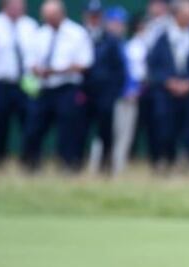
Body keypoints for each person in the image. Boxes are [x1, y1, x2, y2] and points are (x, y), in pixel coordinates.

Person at [22, 0, 93, 171]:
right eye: (46, 17)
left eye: (52, 16)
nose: (49, 20)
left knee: (68, 131)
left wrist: (58, 71)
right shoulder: (39, 34)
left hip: (67, 88)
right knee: (33, 128)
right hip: (43, 88)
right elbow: (29, 61)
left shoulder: (77, 33)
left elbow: (85, 63)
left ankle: (68, 166)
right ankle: (31, 166)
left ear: (61, 13)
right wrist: (37, 70)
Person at [146, 0, 189, 171]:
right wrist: (169, 82)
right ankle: (166, 163)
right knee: (166, 132)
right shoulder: (161, 39)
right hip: (166, 96)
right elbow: (153, 66)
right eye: (186, 16)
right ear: (176, 16)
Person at [0, 0, 36, 165]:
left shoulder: (30, 25)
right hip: (0, 83)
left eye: (20, 5)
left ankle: (28, 161)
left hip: (26, 83)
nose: (18, 8)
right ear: (4, 6)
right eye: (14, 5)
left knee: (30, 123)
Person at [82, 0, 127, 174]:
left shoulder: (111, 39)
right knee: (80, 133)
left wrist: (113, 94)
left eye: (97, 15)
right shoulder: (77, 36)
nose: (93, 19)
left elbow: (119, 70)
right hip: (82, 95)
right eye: (91, 15)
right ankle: (76, 165)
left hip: (105, 97)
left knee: (106, 134)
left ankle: (106, 167)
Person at [112, 9, 144, 175]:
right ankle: (107, 167)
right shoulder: (111, 43)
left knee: (125, 135)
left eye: (121, 23)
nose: (119, 26)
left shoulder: (123, 44)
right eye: (116, 22)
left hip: (129, 96)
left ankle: (119, 168)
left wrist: (132, 89)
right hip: (115, 98)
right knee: (112, 134)